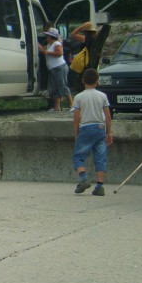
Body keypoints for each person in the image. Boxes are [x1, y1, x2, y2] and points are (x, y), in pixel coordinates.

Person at [72, 68, 113, 196]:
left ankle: (84, 179)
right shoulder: (102, 96)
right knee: (100, 157)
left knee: (78, 156)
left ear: (83, 81)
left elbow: (76, 117)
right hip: (100, 128)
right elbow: (108, 116)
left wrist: (76, 133)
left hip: (85, 128)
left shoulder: (79, 97)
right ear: (97, 81)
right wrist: (109, 132)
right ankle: (99, 186)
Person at [37, 27, 72, 112]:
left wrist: (47, 52)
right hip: (53, 69)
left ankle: (72, 104)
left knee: (63, 86)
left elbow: (60, 53)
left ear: (51, 37)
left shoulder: (57, 44)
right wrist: (36, 42)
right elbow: (42, 49)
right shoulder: (49, 45)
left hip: (59, 67)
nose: (46, 38)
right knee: (55, 87)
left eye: (47, 36)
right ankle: (57, 107)